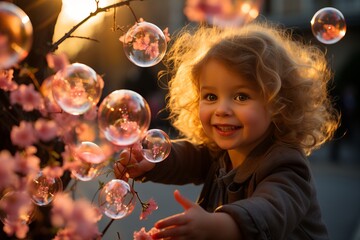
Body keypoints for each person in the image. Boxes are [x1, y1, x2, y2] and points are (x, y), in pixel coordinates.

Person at [114, 20, 339, 239]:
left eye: (241, 96)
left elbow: (268, 212)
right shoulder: (220, 153)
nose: (222, 109)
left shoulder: (286, 165)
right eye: (211, 96)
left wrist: (216, 225)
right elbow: (191, 157)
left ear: (278, 105)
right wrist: (153, 161)